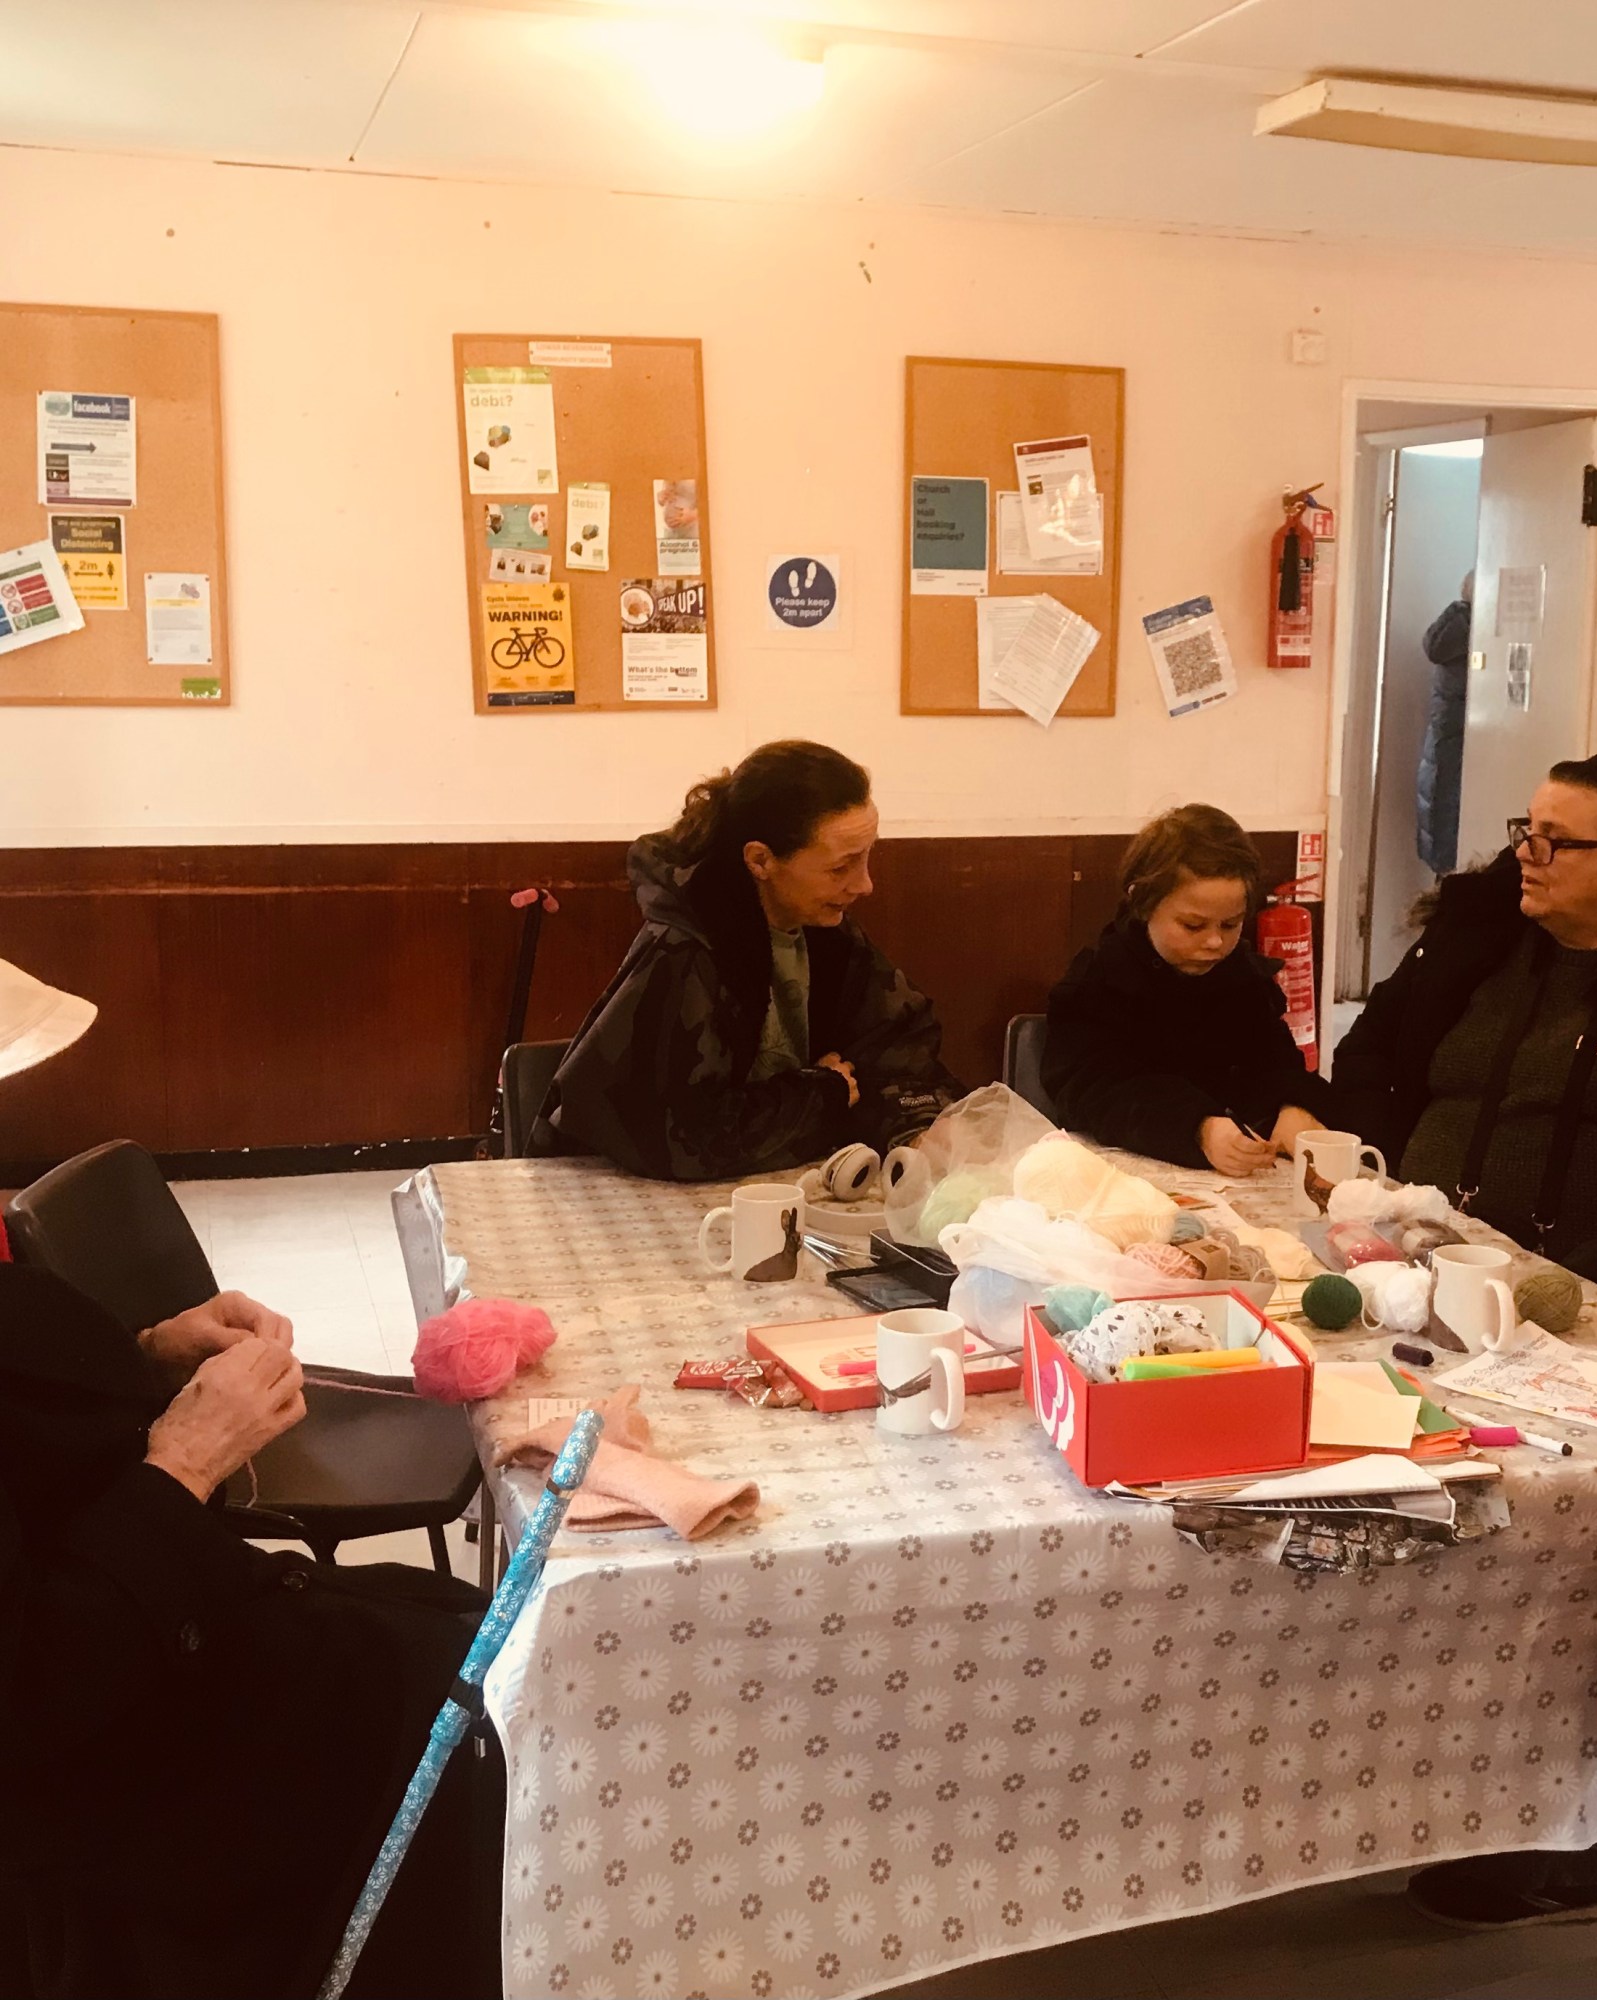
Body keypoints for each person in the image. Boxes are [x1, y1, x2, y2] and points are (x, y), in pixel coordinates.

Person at [0, 957, 501, 1999]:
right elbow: (32, 1699)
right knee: (477, 1722)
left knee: (474, 1644)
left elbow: (28, 1413)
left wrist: (146, 1355)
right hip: (117, 1788)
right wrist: (181, 1462)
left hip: (176, 1635)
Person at [1322, 752, 1597, 1268]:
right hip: (1403, 1247)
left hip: (1582, 1276)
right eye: (1527, 830)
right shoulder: (1473, 939)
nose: (1523, 853)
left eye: (1553, 841)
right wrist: (1384, 1178)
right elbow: (1366, 1050)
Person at [532, 740, 958, 1180]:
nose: (865, 884)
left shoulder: (828, 933)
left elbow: (895, 1048)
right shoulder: (687, 949)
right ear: (760, 860)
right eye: (840, 868)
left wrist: (914, 1126)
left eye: (868, 857)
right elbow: (688, 1137)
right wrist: (822, 1093)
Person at [1043, 804, 1341, 1173]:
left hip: (1235, 1176)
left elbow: (1276, 1064)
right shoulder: (1100, 983)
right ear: (1144, 904)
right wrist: (1196, 1128)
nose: (1215, 942)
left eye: (1230, 925)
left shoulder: (1244, 980)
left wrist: (1291, 1106)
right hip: (1126, 1174)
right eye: (1193, 926)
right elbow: (1093, 1090)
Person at [1415, 571, 1473, 874]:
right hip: (1456, 754)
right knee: (1453, 862)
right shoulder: (1470, 635)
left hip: (1445, 753)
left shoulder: (1452, 634)